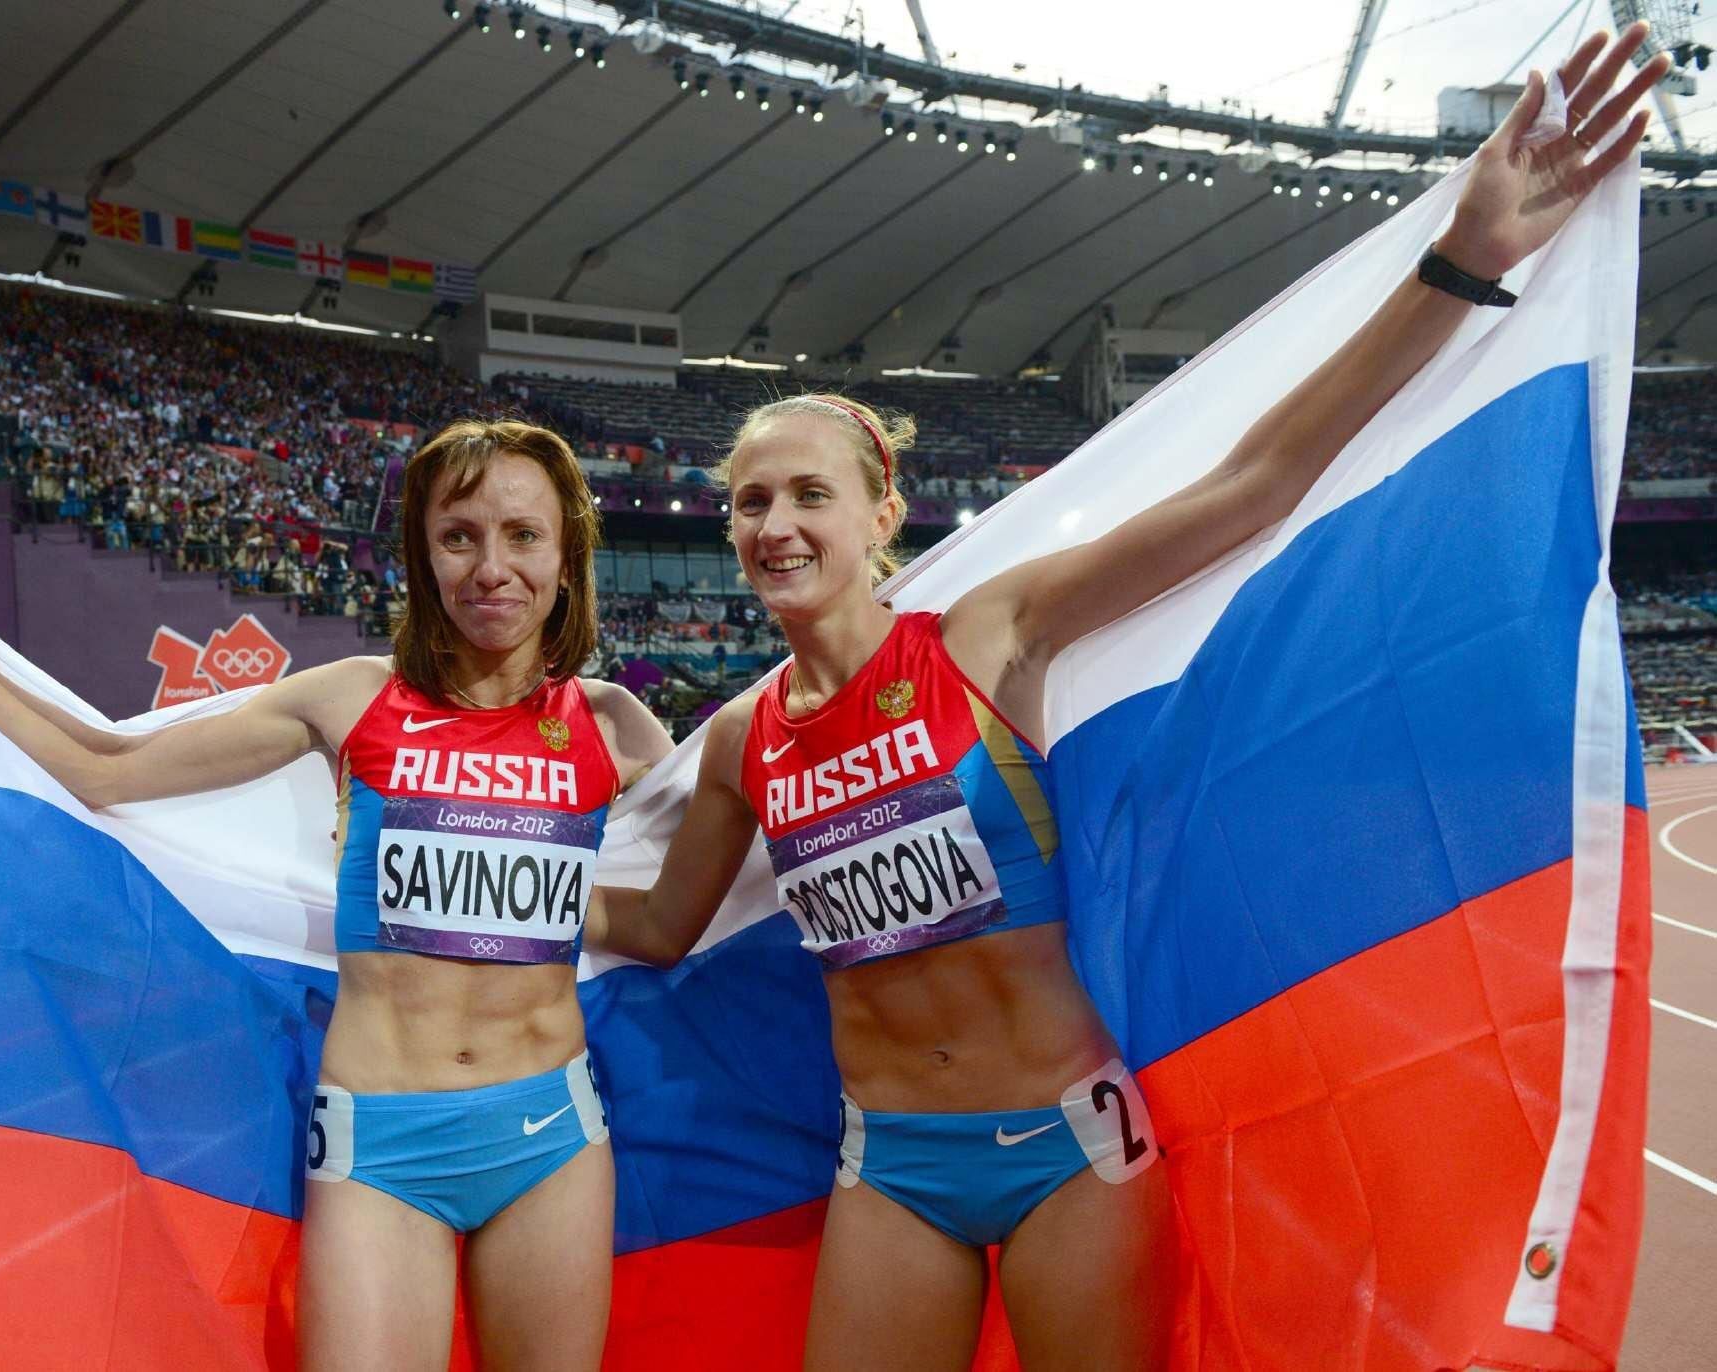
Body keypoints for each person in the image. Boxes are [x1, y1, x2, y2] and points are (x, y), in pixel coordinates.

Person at [588, 30, 1663, 1371]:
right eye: (751, 501)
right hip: (889, 1169)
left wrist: (1461, 261)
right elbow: (660, 925)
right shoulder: (746, 743)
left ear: (879, 515)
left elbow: (1253, 487)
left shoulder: (987, 635)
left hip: (1067, 1154)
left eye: (811, 493)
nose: (775, 524)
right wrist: (495, 868)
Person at [0, 418, 674, 1372]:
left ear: (567, 557)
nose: (492, 567)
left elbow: (678, 908)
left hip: (550, 1140)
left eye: (523, 535)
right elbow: (106, 768)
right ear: (424, 556)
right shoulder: (353, 699)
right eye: (459, 536)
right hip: (382, 1150)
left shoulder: (613, 726)